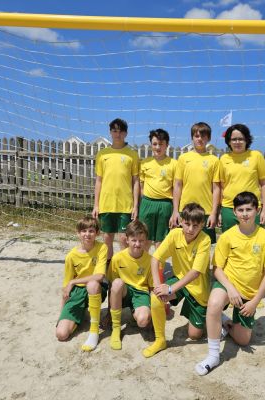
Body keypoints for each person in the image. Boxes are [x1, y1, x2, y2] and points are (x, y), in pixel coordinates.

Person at [195, 191, 265, 375]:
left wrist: (254, 302)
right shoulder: (227, 236)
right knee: (214, 303)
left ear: (257, 210)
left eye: (249, 209)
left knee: (243, 340)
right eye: (240, 210)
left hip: (249, 295)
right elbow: (217, 268)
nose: (245, 214)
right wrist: (230, 289)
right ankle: (213, 355)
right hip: (228, 286)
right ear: (234, 212)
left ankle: (225, 322)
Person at [143, 203, 211, 358]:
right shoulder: (174, 234)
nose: (190, 229)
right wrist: (157, 286)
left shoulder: (205, 240)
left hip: (198, 289)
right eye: (187, 224)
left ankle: (214, 314)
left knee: (194, 335)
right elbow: (155, 259)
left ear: (202, 225)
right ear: (181, 221)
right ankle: (160, 340)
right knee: (156, 298)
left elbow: (195, 273)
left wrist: (170, 289)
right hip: (180, 281)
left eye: (195, 225)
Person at [55, 216, 108, 352]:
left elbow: (100, 276)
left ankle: (94, 331)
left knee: (92, 284)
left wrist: (74, 281)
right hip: (77, 292)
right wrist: (62, 313)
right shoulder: (71, 256)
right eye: (84, 231)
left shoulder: (102, 248)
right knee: (61, 334)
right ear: (78, 233)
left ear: (97, 233)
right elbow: (66, 287)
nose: (87, 234)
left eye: (91, 231)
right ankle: (79, 316)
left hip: (97, 288)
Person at [92, 118, 140, 262]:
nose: (117, 134)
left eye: (120, 131)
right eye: (114, 131)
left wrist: (135, 205)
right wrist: (96, 205)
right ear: (110, 132)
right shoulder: (102, 154)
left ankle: (123, 267)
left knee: (124, 238)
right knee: (107, 237)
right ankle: (108, 267)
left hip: (125, 205)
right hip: (106, 203)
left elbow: (136, 181)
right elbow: (99, 181)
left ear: (125, 133)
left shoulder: (132, 154)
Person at [170, 122, 221, 244]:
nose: (200, 139)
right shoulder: (183, 158)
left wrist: (214, 213)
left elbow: (216, 189)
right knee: (183, 245)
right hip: (185, 210)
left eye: (203, 136)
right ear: (192, 137)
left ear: (208, 138)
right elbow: (177, 185)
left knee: (205, 246)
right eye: (197, 136)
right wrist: (175, 211)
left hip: (206, 212)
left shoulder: (214, 160)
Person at [108, 220, 152, 350]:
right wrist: (108, 314)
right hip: (124, 291)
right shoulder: (117, 258)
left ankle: (136, 313)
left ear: (146, 241)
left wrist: (153, 312)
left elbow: (152, 288)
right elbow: (111, 286)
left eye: (141, 240)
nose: (137, 244)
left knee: (143, 321)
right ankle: (116, 328)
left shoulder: (150, 260)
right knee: (117, 283)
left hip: (140, 292)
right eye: (134, 240)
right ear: (127, 240)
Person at [219, 123, 265, 232]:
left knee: (254, 240)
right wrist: (219, 211)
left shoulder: (256, 156)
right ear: (229, 141)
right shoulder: (223, 159)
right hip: (229, 208)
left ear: (247, 140)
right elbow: (221, 187)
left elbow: (264, 184)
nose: (237, 142)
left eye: (241, 139)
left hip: (251, 208)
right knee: (229, 240)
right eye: (234, 139)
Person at [139, 128, 177, 250]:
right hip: (147, 203)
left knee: (160, 241)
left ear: (167, 145)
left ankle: (158, 263)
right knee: (144, 238)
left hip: (165, 204)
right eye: (155, 144)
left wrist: (175, 211)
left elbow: (176, 188)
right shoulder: (145, 163)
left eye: (161, 144)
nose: (157, 147)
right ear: (151, 145)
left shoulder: (174, 164)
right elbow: (141, 186)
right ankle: (144, 263)